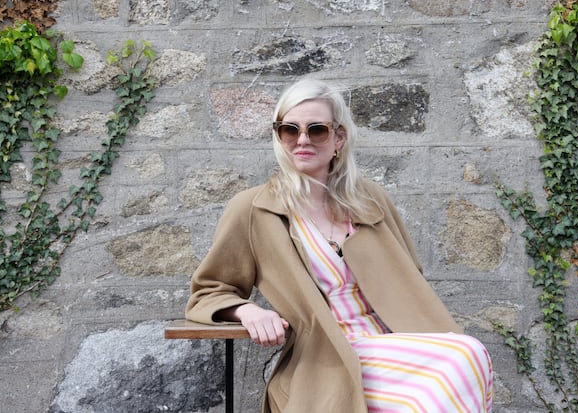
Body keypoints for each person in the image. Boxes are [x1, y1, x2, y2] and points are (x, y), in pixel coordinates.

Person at [187, 78, 493, 413]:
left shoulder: (371, 200)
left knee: (468, 356)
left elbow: (410, 275)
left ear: (339, 138)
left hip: (396, 343)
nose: (302, 139)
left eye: (317, 130)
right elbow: (209, 291)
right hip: (329, 359)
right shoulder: (253, 209)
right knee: (460, 361)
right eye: (289, 130)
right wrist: (247, 311)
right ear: (279, 136)